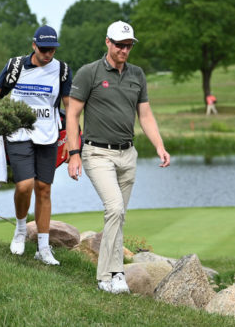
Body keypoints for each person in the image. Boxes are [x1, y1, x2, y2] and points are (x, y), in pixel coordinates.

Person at [65, 20, 170, 293]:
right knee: (114, 208)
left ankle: (117, 274)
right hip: (97, 152)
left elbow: (144, 115)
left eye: (129, 45)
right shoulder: (90, 73)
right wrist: (73, 154)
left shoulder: (137, 75)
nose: (124, 50)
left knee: (119, 215)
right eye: (120, 45)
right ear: (108, 42)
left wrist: (159, 145)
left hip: (128, 154)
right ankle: (106, 276)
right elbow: (73, 115)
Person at [0, 25, 71, 265]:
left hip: (48, 136)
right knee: (24, 186)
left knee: (44, 188)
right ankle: (21, 229)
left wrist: (73, 145)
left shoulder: (62, 70)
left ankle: (43, 248)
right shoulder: (15, 66)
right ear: (33, 45)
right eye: (43, 49)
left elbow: (70, 108)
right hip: (18, 134)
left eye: (52, 49)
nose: (47, 54)